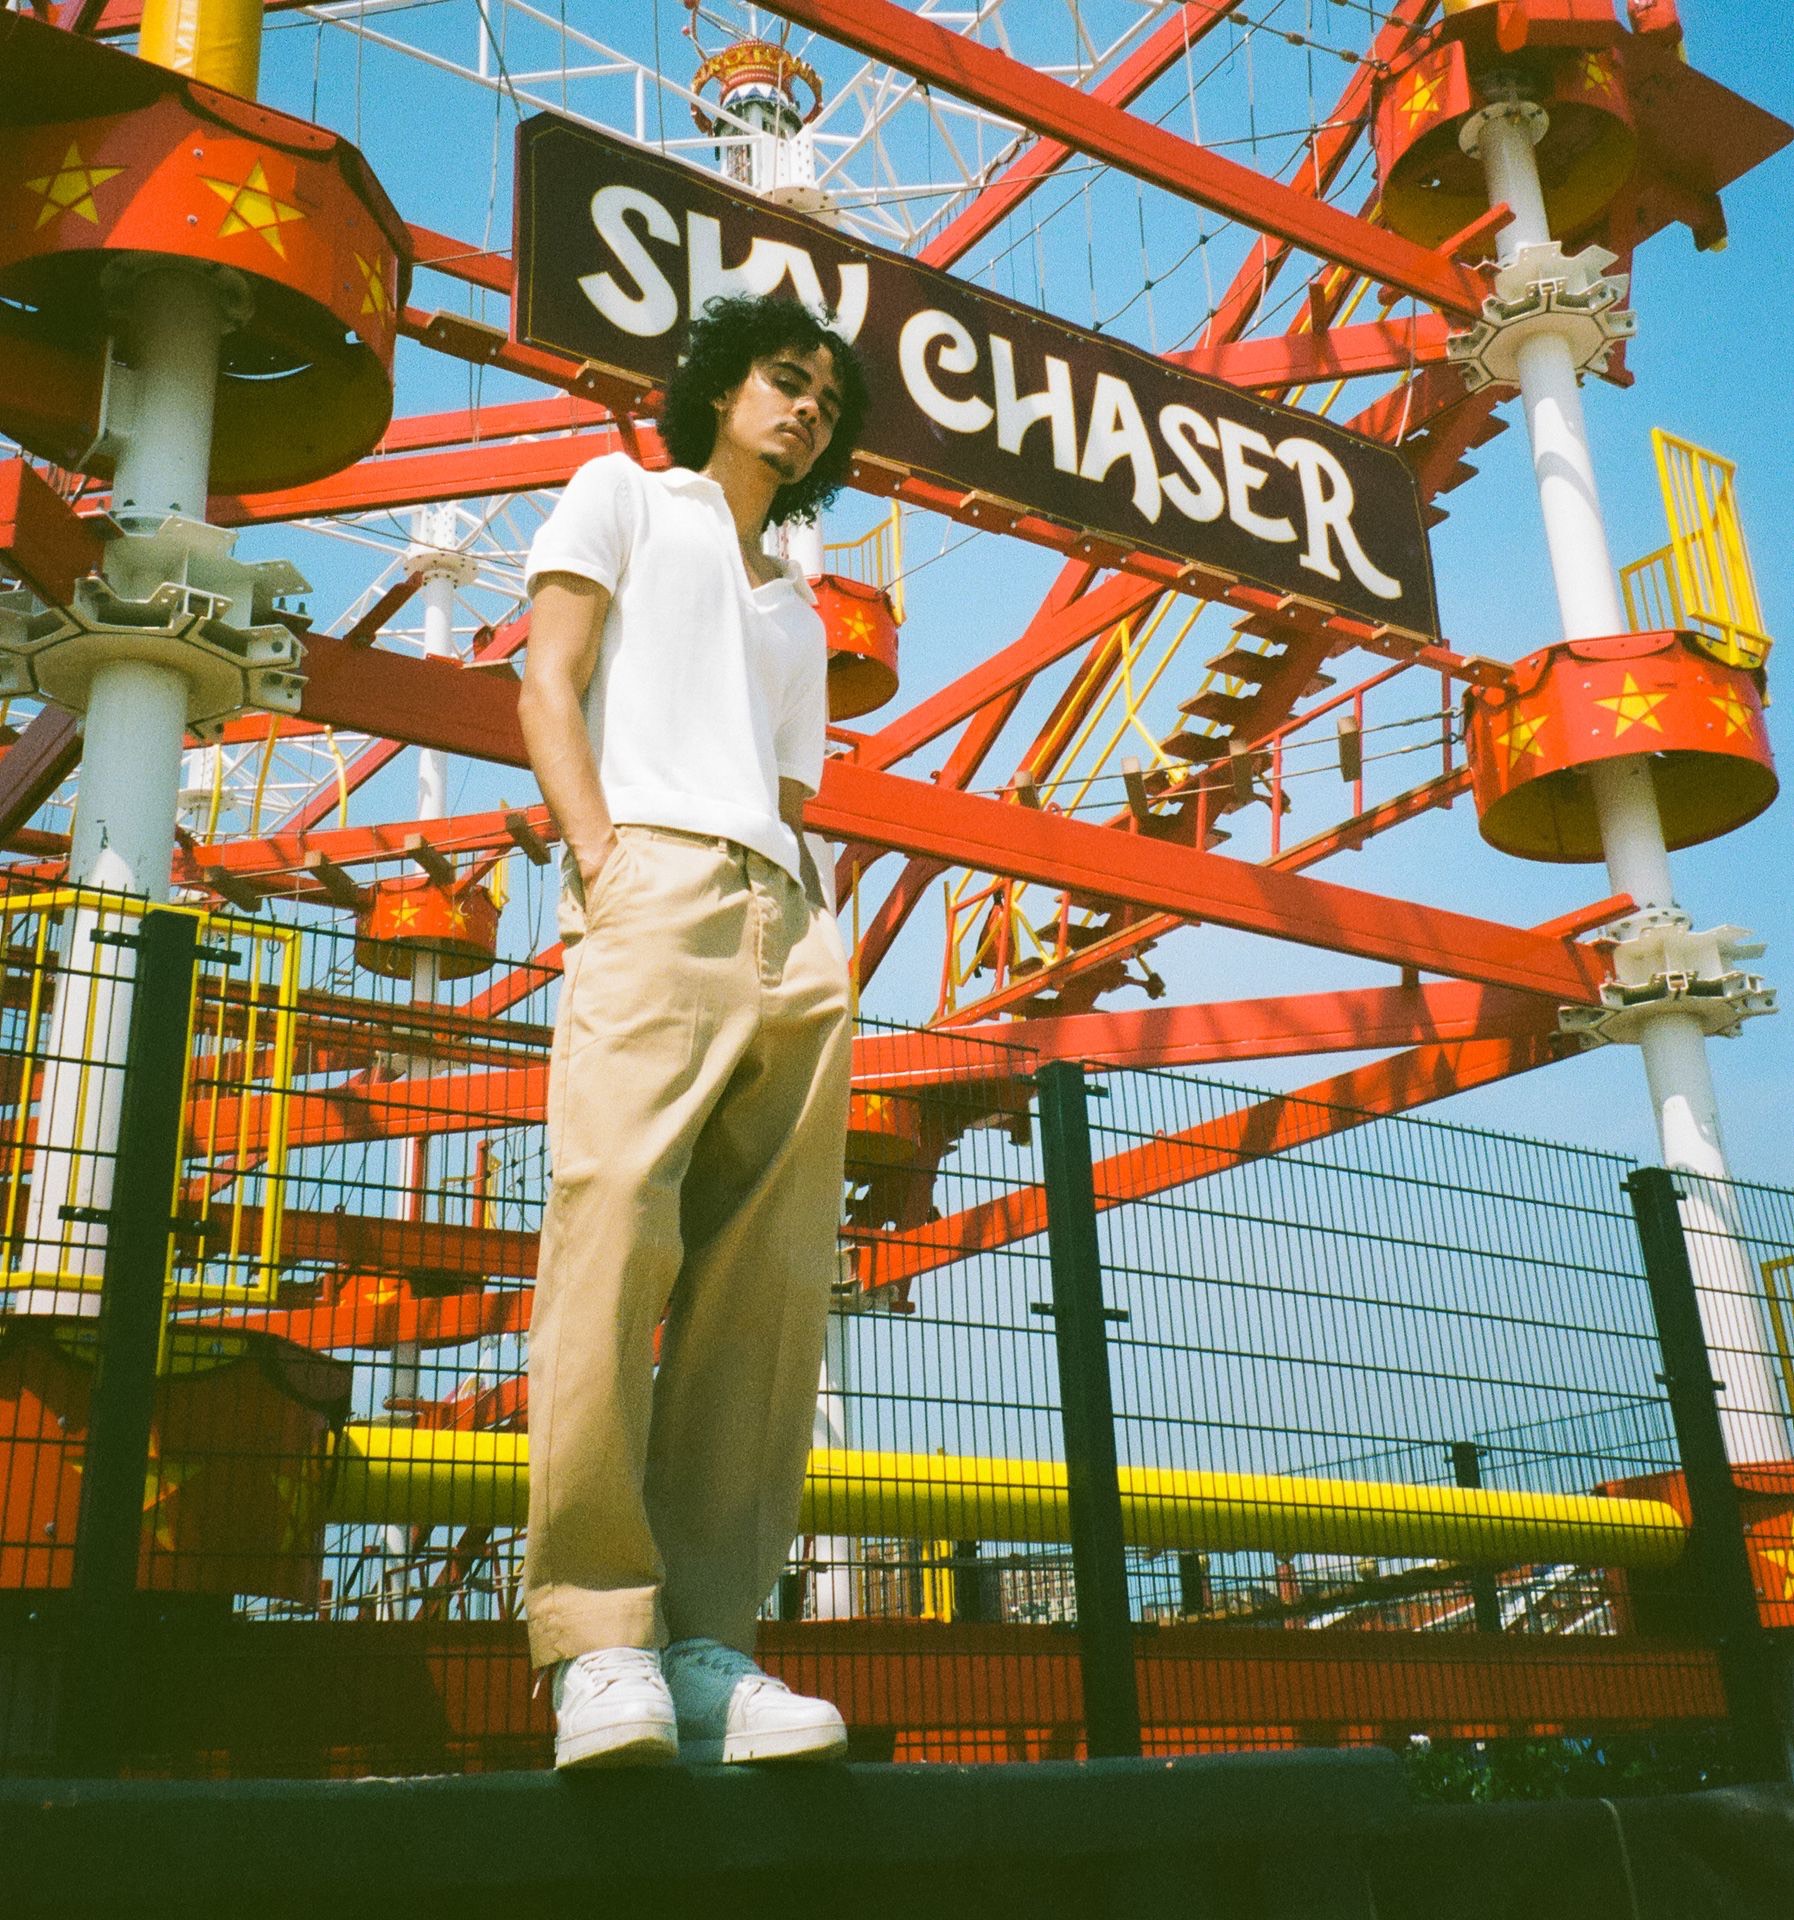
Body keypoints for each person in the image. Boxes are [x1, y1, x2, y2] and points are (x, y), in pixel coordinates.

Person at [516, 293, 869, 1769]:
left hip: (785, 916)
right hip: (650, 873)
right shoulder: (620, 494)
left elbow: (792, 800)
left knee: (769, 1283)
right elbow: (546, 679)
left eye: (826, 403)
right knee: (610, 1219)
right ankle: (599, 1640)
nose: (804, 411)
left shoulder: (796, 610)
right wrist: (598, 859)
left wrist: (816, 929)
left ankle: (712, 1638)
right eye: (785, 381)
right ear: (719, 387)